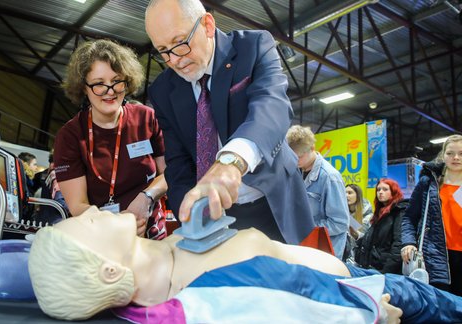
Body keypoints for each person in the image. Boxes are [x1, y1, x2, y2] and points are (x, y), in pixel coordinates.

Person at [28, 207, 462, 323]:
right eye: (83, 227)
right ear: (107, 269)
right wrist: (367, 313)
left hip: (350, 277)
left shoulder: (158, 252)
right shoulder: (204, 299)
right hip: (363, 291)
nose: (86, 213)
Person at [144, 0, 314, 244]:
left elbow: (272, 107)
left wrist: (232, 161)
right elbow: (178, 161)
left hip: (274, 203)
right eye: (162, 50)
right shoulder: (163, 90)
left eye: (180, 43)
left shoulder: (253, 47)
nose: (175, 60)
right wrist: (190, 219)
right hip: (217, 216)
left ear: (208, 25)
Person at [54, 39, 168, 240]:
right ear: (84, 87)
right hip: (102, 237)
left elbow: (170, 172)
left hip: (150, 229)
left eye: (117, 81)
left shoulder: (147, 118)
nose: (110, 90)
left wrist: (147, 197)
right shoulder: (71, 135)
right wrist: (118, 225)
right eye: (99, 84)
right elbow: (78, 205)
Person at [401, 134, 462, 296]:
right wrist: (408, 242)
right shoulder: (429, 183)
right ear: (443, 155)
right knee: (440, 308)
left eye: (461, 153)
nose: (456, 157)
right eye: (450, 153)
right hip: (436, 256)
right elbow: (409, 217)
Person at [286, 125, 350, 259]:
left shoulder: (330, 177)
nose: (294, 160)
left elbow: (340, 223)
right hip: (304, 248)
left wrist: (305, 226)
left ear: (312, 149)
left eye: (299, 157)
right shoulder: (296, 171)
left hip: (325, 253)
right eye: (291, 156)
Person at [354, 179, 408, 274]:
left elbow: (398, 244)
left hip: (385, 271)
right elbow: (369, 241)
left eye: (385, 189)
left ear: (393, 191)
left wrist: (386, 271)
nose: (380, 192)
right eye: (378, 190)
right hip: (372, 269)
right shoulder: (379, 213)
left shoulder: (399, 212)